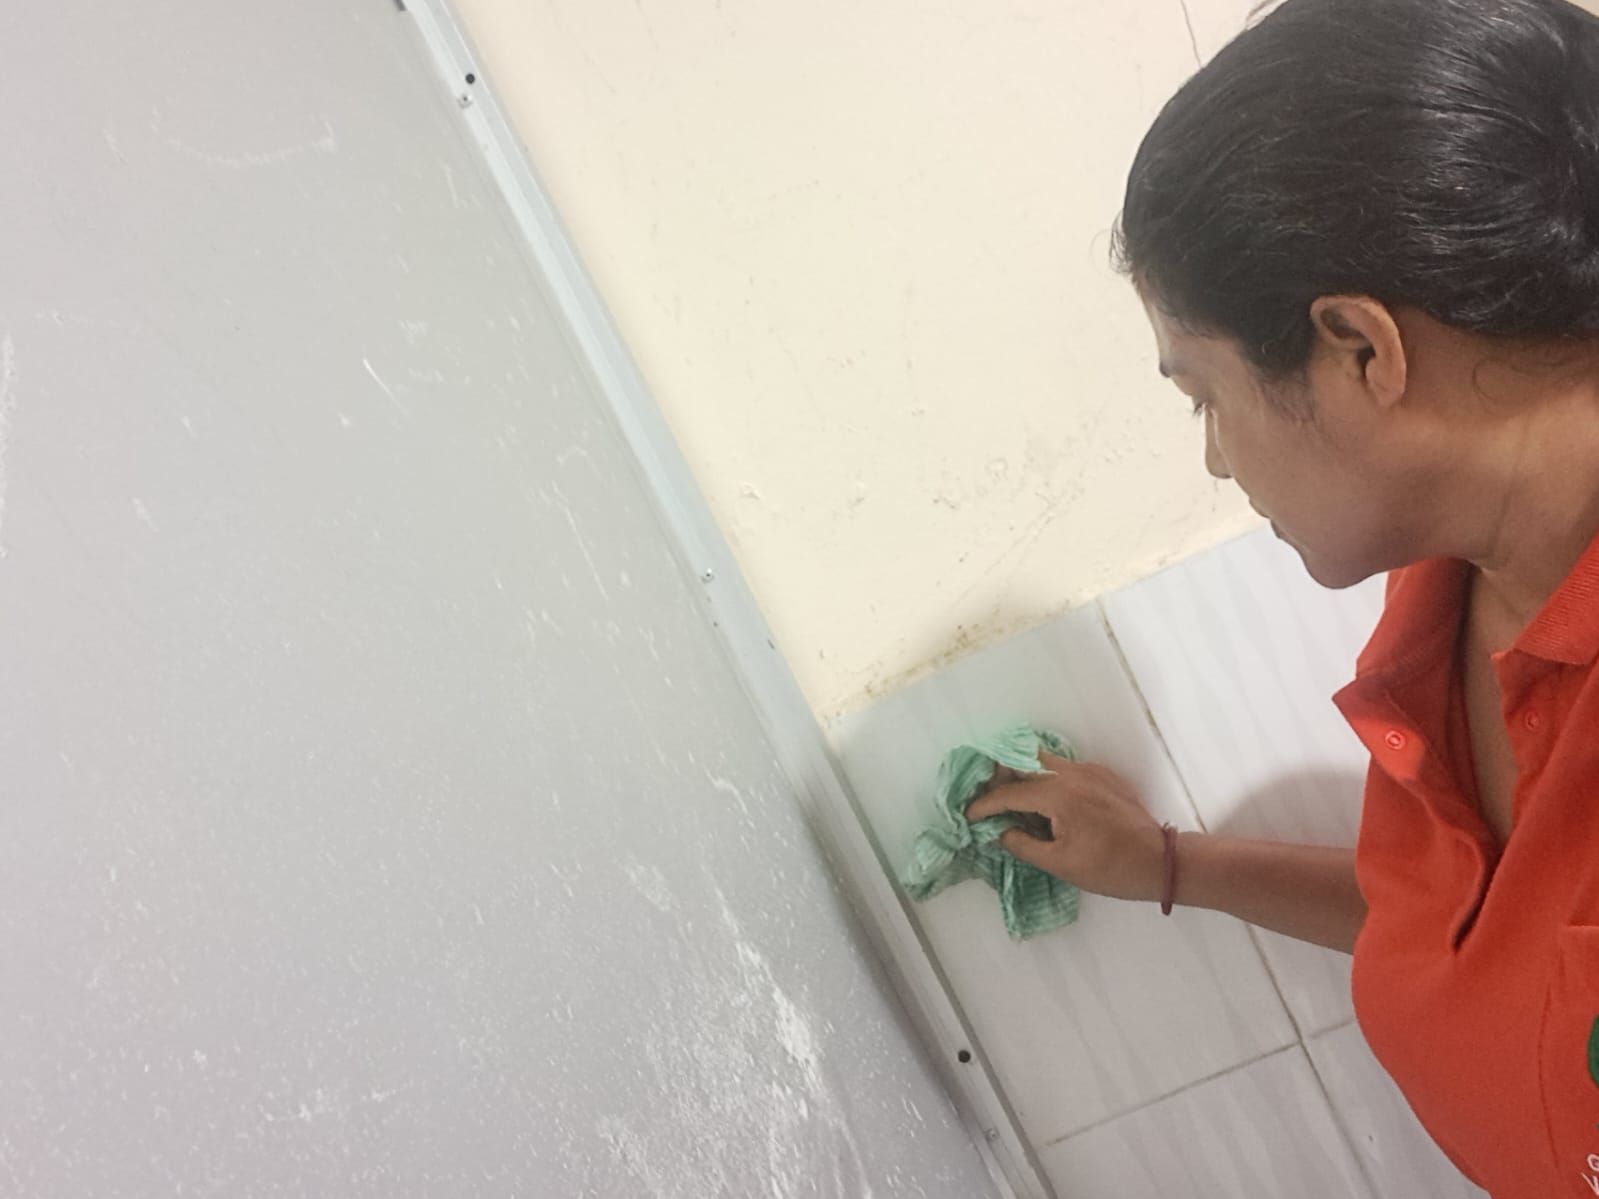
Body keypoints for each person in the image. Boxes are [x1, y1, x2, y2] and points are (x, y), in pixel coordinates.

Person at [964, 1, 1599, 1195]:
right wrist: (1167, 862)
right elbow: (1456, 917)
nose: (1215, 456)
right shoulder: (1450, 587)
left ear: (1359, 348)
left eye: (1203, 395)